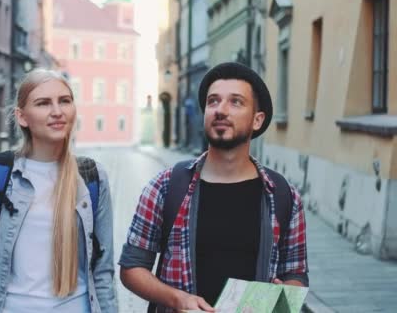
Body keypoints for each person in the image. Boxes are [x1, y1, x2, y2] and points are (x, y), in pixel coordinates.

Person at [119, 62, 309, 312]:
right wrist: (177, 299)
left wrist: (278, 301)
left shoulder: (283, 195)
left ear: (257, 120)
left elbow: (296, 274)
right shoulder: (165, 187)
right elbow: (132, 267)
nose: (221, 110)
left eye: (236, 102)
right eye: (213, 101)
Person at [0, 69, 117, 313]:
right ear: (22, 117)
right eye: (43, 103)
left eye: (65, 100)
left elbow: (103, 272)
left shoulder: (93, 178)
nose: (57, 111)